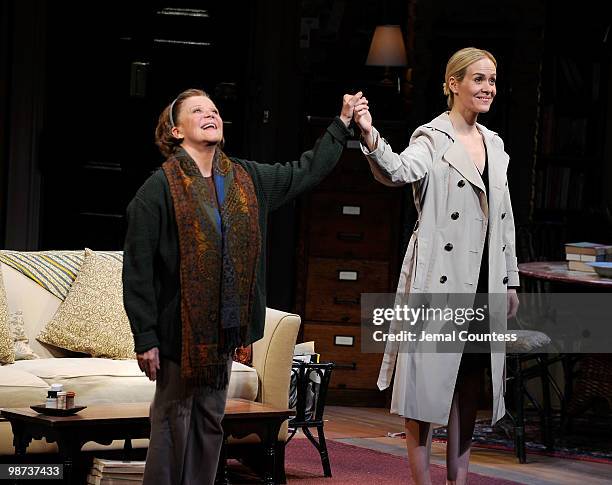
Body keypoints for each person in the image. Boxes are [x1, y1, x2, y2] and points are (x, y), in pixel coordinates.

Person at [122, 88, 366, 485]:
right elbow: (138, 269)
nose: (210, 114)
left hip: (222, 330)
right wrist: (144, 335)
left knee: (209, 422)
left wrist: (340, 125)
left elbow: (304, 171)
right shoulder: (159, 189)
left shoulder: (245, 180)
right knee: (172, 422)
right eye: (197, 110)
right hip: (176, 332)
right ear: (175, 130)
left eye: (214, 110)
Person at [354, 47, 520, 485]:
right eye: (479, 79)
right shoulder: (431, 137)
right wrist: (370, 137)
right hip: (441, 278)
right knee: (425, 388)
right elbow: (398, 171)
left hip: (484, 278)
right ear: (453, 84)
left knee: (468, 383)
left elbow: (504, 219)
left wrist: (510, 279)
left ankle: (458, 480)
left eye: (493, 80)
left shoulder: (496, 145)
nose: (488, 88)